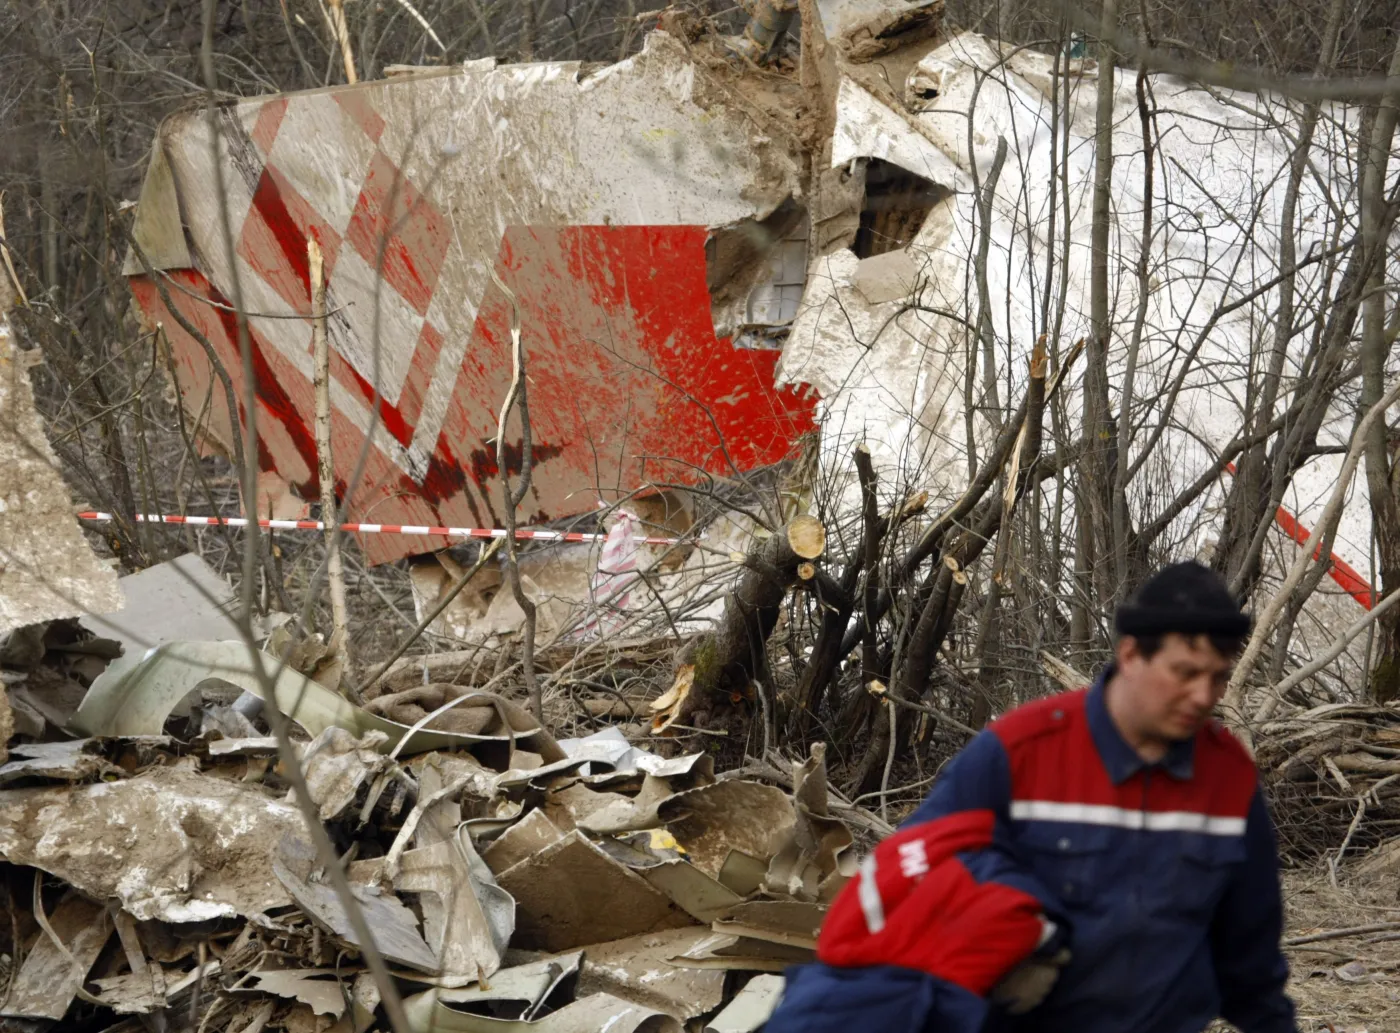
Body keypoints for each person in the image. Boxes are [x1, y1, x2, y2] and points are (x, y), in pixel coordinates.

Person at [766, 560, 1298, 1033]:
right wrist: (1007, 916)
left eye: (1218, 678)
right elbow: (906, 883)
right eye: (1185, 673)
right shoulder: (1019, 753)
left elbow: (1250, 953)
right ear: (1131, 653)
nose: (1204, 696)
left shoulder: (1228, 777)